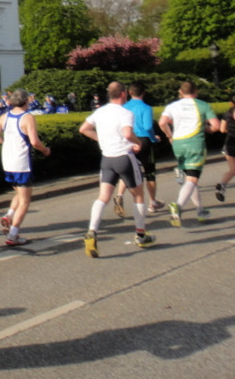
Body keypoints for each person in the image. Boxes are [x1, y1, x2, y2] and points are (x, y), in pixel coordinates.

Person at [79, 81, 155, 258]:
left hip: (107, 159)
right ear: (123, 94)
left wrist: (101, 139)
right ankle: (141, 234)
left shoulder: (100, 111)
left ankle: (92, 231)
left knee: (103, 197)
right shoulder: (125, 113)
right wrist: (137, 143)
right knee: (138, 194)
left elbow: (84, 129)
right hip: (124, 157)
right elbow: (127, 133)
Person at [0, 88, 51, 246]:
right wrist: (45, 150)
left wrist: (6, 144)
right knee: (25, 200)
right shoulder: (27, 117)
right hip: (21, 162)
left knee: (19, 191)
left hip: (7, 161)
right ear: (26, 101)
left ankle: (9, 215)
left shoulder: (5, 116)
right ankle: (13, 234)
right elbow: (35, 142)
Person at [159, 81, 220, 226]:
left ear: (180, 92)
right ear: (196, 91)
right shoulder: (203, 105)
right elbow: (216, 125)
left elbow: (162, 122)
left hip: (178, 144)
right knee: (192, 180)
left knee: (190, 180)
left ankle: (200, 211)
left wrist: (169, 135)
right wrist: (207, 129)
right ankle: (178, 206)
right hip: (195, 143)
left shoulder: (172, 106)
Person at [112, 81, 164, 217]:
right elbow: (147, 127)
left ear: (129, 93)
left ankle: (119, 195)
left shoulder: (124, 107)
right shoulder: (146, 108)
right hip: (143, 140)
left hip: (128, 140)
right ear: (144, 93)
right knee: (149, 172)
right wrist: (154, 138)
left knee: (126, 170)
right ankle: (152, 202)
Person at [215, 94, 235, 202]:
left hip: (230, 143)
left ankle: (222, 186)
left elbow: (222, 129)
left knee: (233, 170)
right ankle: (222, 186)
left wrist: (231, 131)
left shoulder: (227, 114)